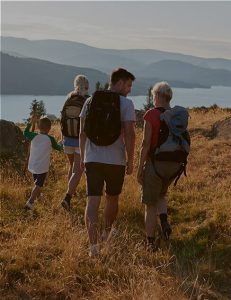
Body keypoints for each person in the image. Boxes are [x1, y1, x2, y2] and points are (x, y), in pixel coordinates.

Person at [79, 68, 136, 257]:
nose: (129, 90)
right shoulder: (126, 104)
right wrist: (130, 159)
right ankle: (105, 232)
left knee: (92, 201)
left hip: (92, 159)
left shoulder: (90, 101)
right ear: (119, 83)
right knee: (112, 198)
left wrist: (82, 157)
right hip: (115, 161)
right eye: (128, 85)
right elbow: (129, 134)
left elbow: (82, 132)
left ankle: (93, 247)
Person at [137, 82, 182, 250]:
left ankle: (150, 242)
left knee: (150, 204)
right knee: (161, 195)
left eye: (154, 95)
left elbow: (145, 144)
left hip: (155, 165)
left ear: (157, 96)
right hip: (174, 166)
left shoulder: (151, 115)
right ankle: (164, 222)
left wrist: (140, 168)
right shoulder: (176, 115)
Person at [60, 75, 89, 211]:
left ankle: (71, 190)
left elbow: (62, 119)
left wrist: (62, 137)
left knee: (72, 166)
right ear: (87, 86)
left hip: (66, 138)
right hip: (79, 139)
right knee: (78, 170)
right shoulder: (86, 100)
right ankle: (67, 197)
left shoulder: (68, 98)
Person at [24, 116, 63, 210]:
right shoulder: (51, 139)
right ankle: (30, 202)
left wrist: (30, 122)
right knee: (38, 184)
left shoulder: (34, 136)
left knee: (36, 183)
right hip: (42, 167)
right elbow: (59, 148)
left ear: (38, 127)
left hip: (33, 164)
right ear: (49, 128)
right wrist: (61, 143)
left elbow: (25, 132)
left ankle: (39, 197)